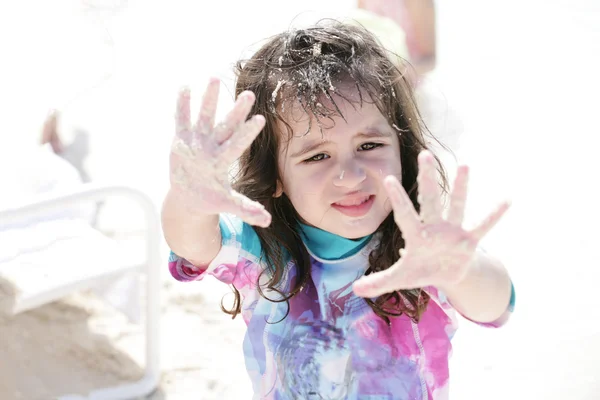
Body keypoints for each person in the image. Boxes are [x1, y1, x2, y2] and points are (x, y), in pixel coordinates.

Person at [161, 21, 515, 399]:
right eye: (317, 156)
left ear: (401, 149)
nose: (349, 176)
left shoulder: (424, 248)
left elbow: (496, 306)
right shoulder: (264, 250)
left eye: (369, 146)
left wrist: (462, 271)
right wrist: (189, 200)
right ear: (275, 176)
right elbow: (193, 244)